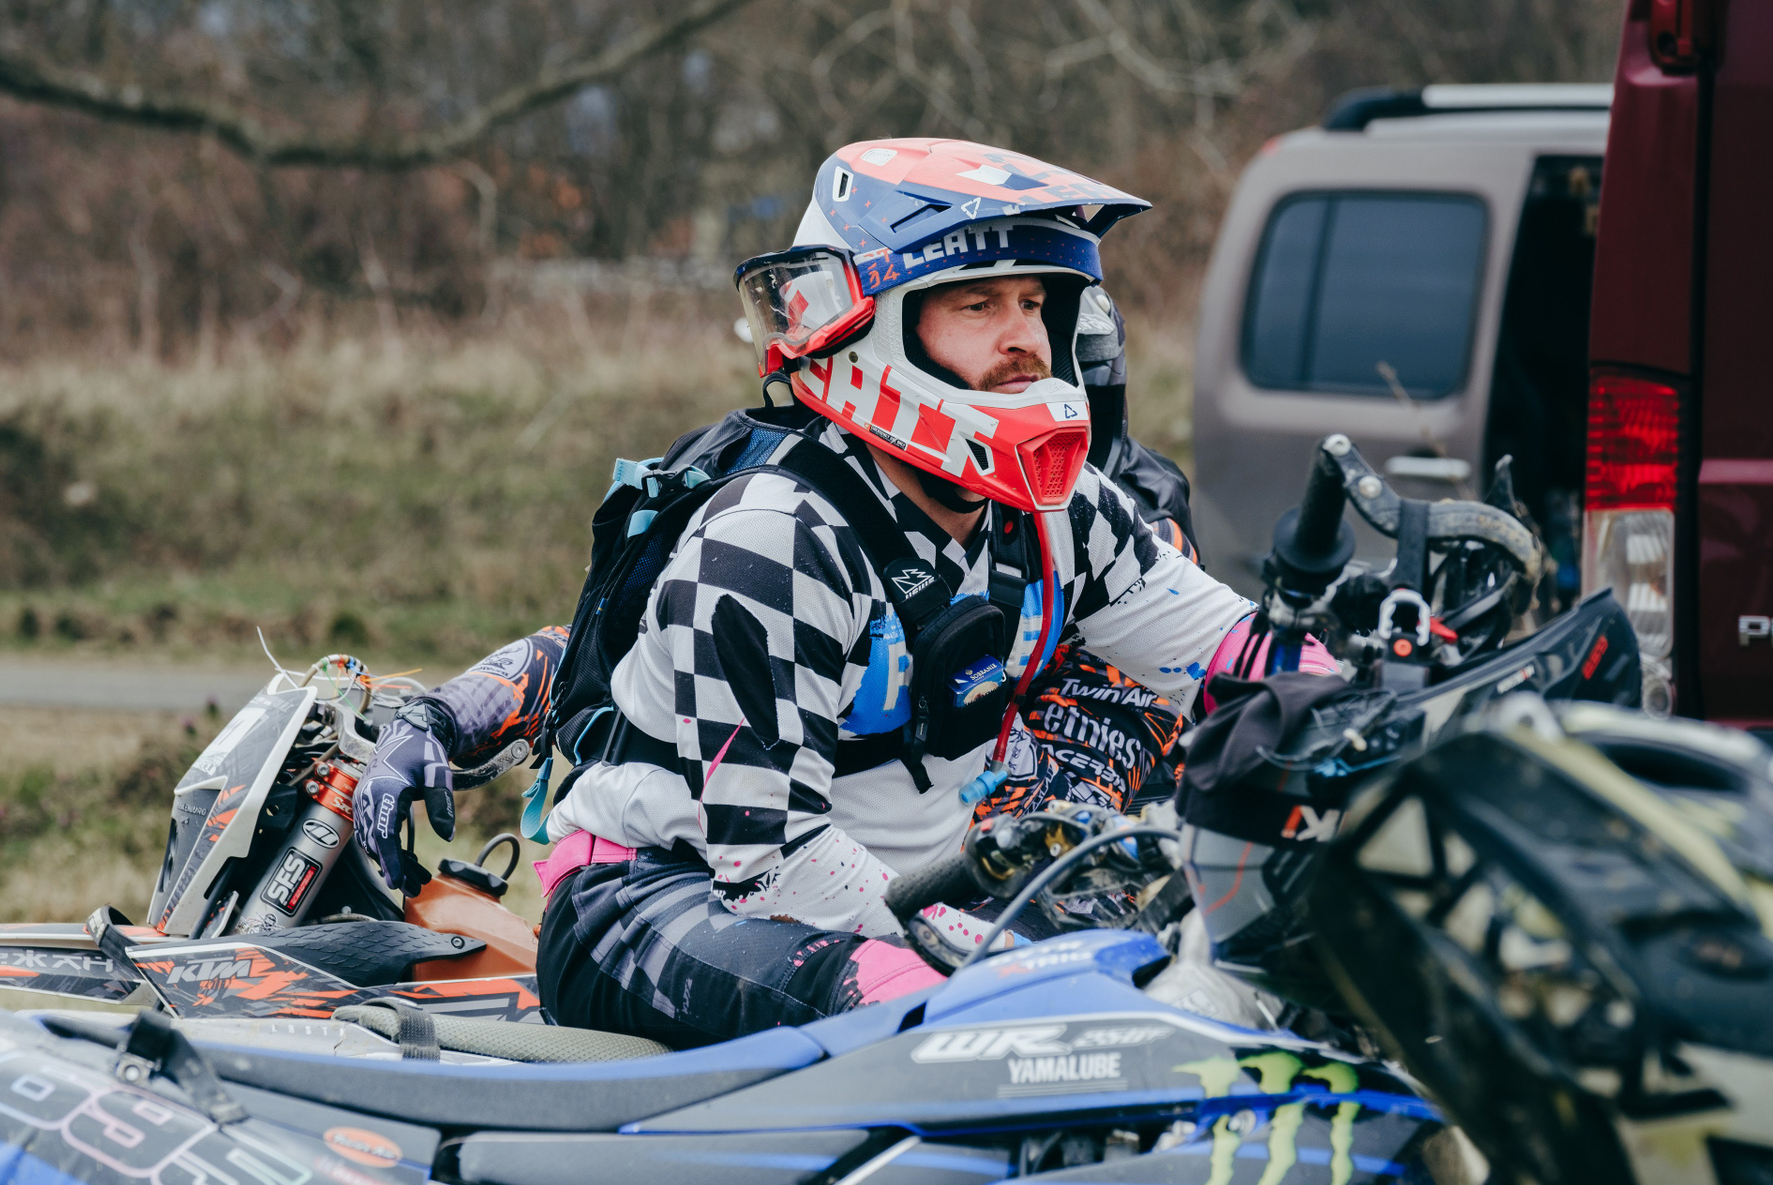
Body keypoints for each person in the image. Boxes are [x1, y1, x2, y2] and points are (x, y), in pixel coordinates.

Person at [356, 139, 1279, 1047]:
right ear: (870, 327)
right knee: (984, 1018)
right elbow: (774, 866)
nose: (1027, 342)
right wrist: (1000, 963)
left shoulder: (1070, 512)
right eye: (979, 303)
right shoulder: (772, 537)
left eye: (1037, 304)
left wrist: (1361, 683)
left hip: (916, 888)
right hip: (660, 894)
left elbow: (1253, 659)